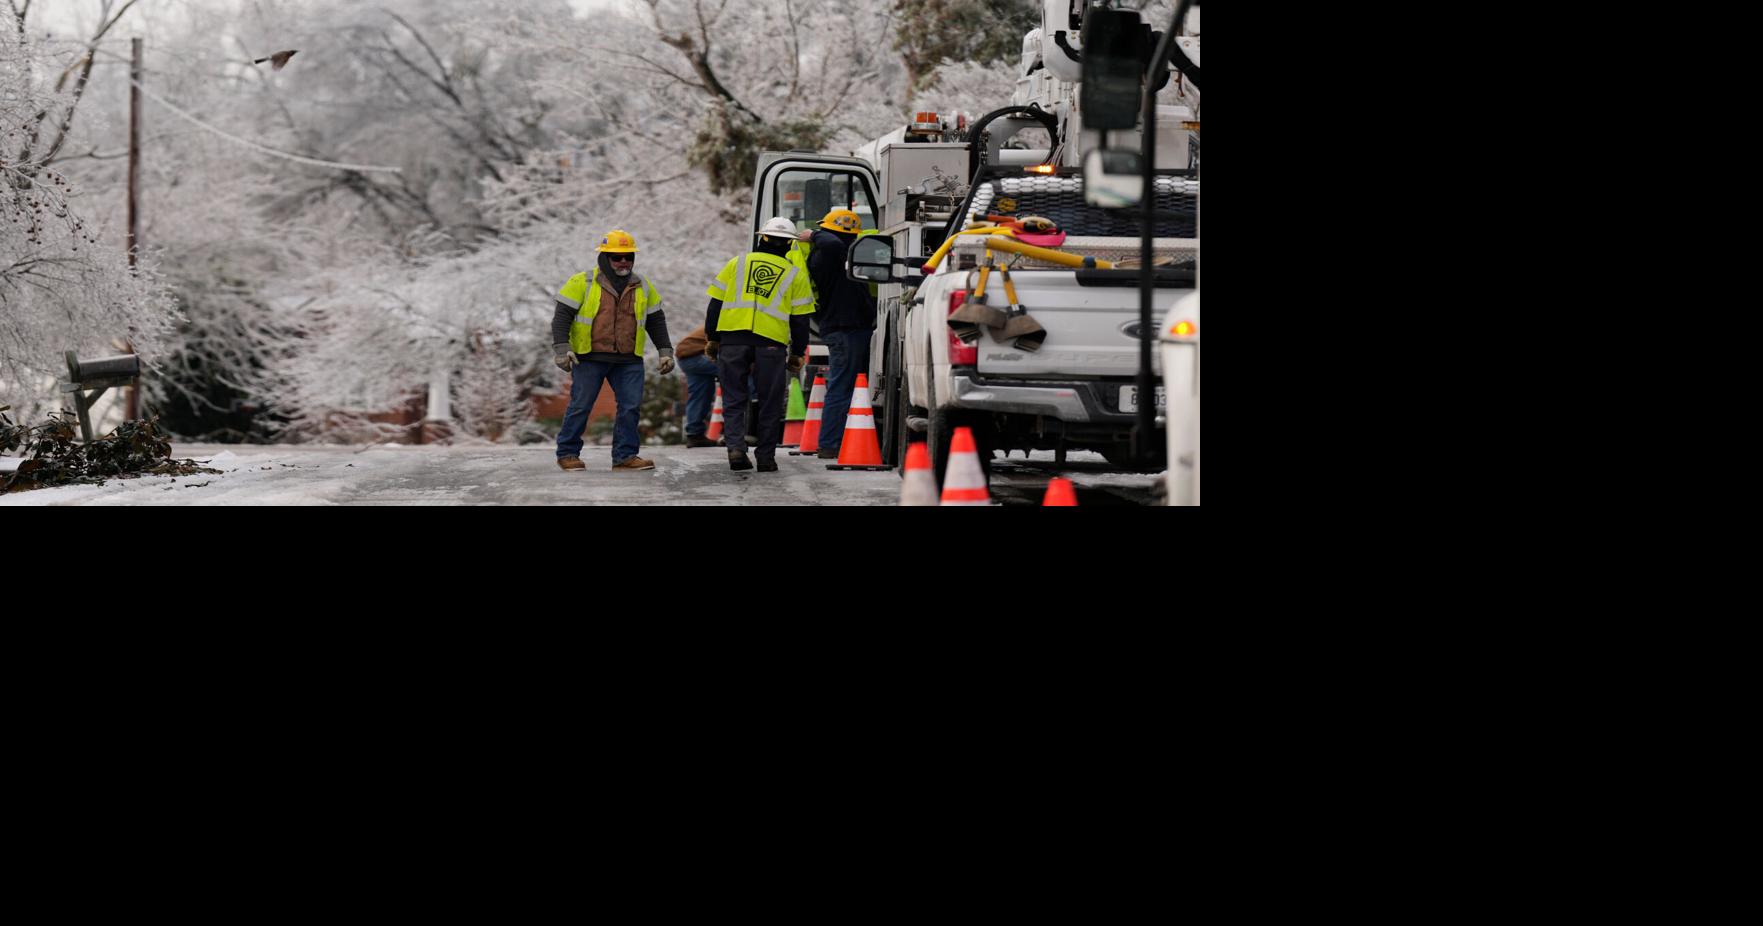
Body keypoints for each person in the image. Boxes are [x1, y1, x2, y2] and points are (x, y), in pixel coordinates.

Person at [551, 229, 673, 471]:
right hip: (590, 357)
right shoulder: (582, 282)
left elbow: (656, 320)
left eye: (628, 256)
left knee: (630, 407)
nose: (623, 261)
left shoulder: (643, 286)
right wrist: (562, 349)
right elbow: (561, 317)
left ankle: (625, 456)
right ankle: (567, 453)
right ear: (604, 258)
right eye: (617, 257)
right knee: (581, 405)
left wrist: (665, 351)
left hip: (628, 359)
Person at [705, 216, 815, 472]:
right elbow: (800, 320)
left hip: (732, 340)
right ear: (790, 245)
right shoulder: (795, 274)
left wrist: (713, 338)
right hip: (771, 345)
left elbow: (715, 304)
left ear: (762, 238)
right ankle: (766, 458)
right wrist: (798, 353)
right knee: (770, 401)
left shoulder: (736, 264)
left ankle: (735, 449)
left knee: (733, 398)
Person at [805, 208, 877, 460]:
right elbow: (832, 242)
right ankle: (830, 443)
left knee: (848, 385)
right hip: (845, 330)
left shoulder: (838, 255)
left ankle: (835, 440)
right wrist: (815, 235)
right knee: (842, 386)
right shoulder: (827, 254)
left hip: (850, 328)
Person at [674, 324, 722, 448]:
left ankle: (695, 435)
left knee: (700, 394)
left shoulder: (716, 322)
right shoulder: (730, 325)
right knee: (736, 372)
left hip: (685, 356)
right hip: (696, 355)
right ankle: (736, 431)